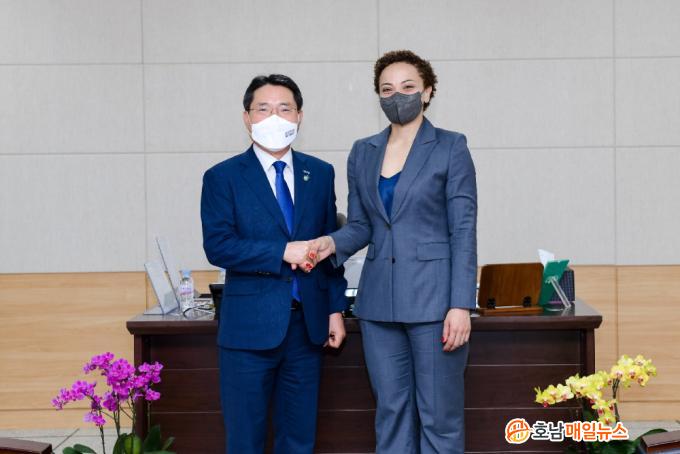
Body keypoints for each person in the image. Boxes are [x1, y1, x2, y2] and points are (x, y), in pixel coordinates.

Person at [309, 50, 477, 453]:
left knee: (439, 416)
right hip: (378, 304)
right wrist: (331, 242)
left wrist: (460, 305)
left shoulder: (450, 146)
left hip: (435, 303)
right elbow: (362, 226)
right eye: (387, 90)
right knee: (391, 412)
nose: (396, 96)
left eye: (407, 87)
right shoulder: (362, 151)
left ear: (427, 91)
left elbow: (463, 229)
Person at [200, 74, 348, 454]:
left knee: (298, 440)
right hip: (248, 331)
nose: (274, 117)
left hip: (306, 329)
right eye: (263, 109)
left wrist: (335, 310)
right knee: (245, 441)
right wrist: (281, 251)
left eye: (285, 108)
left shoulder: (320, 174)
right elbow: (219, 246)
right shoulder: (222, 177)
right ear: (247, 118)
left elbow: (330, 249)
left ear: (299, 116)